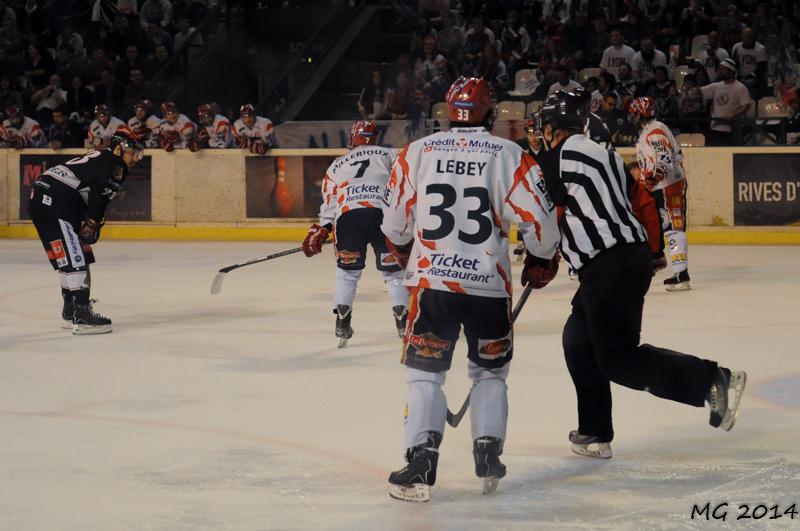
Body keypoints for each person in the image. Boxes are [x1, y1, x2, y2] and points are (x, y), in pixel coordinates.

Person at [533, 91, 746, 460]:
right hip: (625, 259)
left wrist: (541, 258)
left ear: (552, 128)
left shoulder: (553, 161)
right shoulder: (607, 154)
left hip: (606, 265)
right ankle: (594, 430)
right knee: (577, 341)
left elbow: (545, 217)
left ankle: (713, 382)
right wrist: (653, 252)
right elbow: (642, 202)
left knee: (617, 358)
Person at [381, 77, 560, 502]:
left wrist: (407, 253)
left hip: (433, 285)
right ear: (490, 110)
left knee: (424, 374)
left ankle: (421, 461)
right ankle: (488, 454)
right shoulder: (511, 154)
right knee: (491, 373)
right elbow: (541, 226)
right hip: (488, 287)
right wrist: (540, 259)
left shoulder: (418, 152)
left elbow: (393, 224)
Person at [302, 120, 408, 347]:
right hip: (382, 217)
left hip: (348, 219)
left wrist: (324, 227)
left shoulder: (337, 164)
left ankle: (342, 323)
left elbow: (330, 201)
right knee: (394, 275)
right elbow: (404, 183)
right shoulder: (390, 153)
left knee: (347, 274)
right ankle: (403, 323)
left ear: (353, 138)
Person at [27, 131, 145, 334]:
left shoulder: (100, 156)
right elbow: (100, 196)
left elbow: (87, 189)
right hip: (57, 201)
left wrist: (89, 219)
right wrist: (92, 221)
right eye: (133, 152)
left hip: (40, 196)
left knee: (67, 253)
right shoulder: (116, 165)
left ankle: (70, 309)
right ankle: (82, 315)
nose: (136, 158)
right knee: (75, 255)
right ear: (119, 148)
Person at [629, 96, 690, 291]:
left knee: (673, 226)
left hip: (667, 185)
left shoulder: (655, 131)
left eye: (633, 112)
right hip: (663, 185)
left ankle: (681, 274)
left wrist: (650, 181)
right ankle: (659, 263)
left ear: (640, 113)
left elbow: (663, 161)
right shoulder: (650, 130)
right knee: (663, 225)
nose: (631, 116)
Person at [701, 59, 751, 146]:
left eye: (723, 69)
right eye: (720, 69)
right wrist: (693, 89)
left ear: (731, 71)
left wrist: (733, 115)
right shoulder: (716, 86)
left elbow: (746, 105)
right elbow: (700, 91)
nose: (720, 71)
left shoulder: (740, 87)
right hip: (715, 127)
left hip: (731, 129)